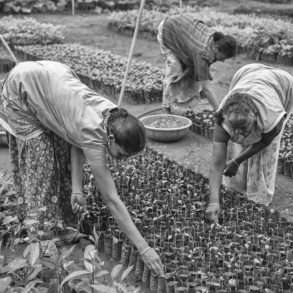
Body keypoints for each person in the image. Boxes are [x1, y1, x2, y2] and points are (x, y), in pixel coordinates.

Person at [0, 60, 164, 276]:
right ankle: (39, 240)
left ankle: (59, 227)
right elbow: (111, 199)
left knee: (60, 152)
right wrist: (144, 248)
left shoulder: (111, 114)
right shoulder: (95, 135)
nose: (121, 161)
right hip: (22, 88)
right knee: (43, 165)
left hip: (50, 79)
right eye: (121, 154)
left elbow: (75, 140)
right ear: (111, 138)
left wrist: (77, 188)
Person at [206, 63, 293, 223]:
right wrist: (213, 202)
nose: (238, 134)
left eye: (244, 127)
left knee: (265, 155)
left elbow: (265, 142)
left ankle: (259, 194)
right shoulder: (222, 119)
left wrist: (237, 161)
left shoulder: (271, 116)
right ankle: (236, 184)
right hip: (247, 73)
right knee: (236, 147)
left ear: (255, 116)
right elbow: (217, 163)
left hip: (281, 84)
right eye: (234, 128)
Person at [157, 14, 237, 116]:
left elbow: (200, 74)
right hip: (168, 30)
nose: (223, 61)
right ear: (217, 49)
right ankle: (166, 106)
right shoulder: (203, 54)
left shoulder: (216, 39)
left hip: (182, 30)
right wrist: (219, 111)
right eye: (224, 57)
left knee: (193, 71)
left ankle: (186, 104)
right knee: (175, 70)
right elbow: (207, 89)